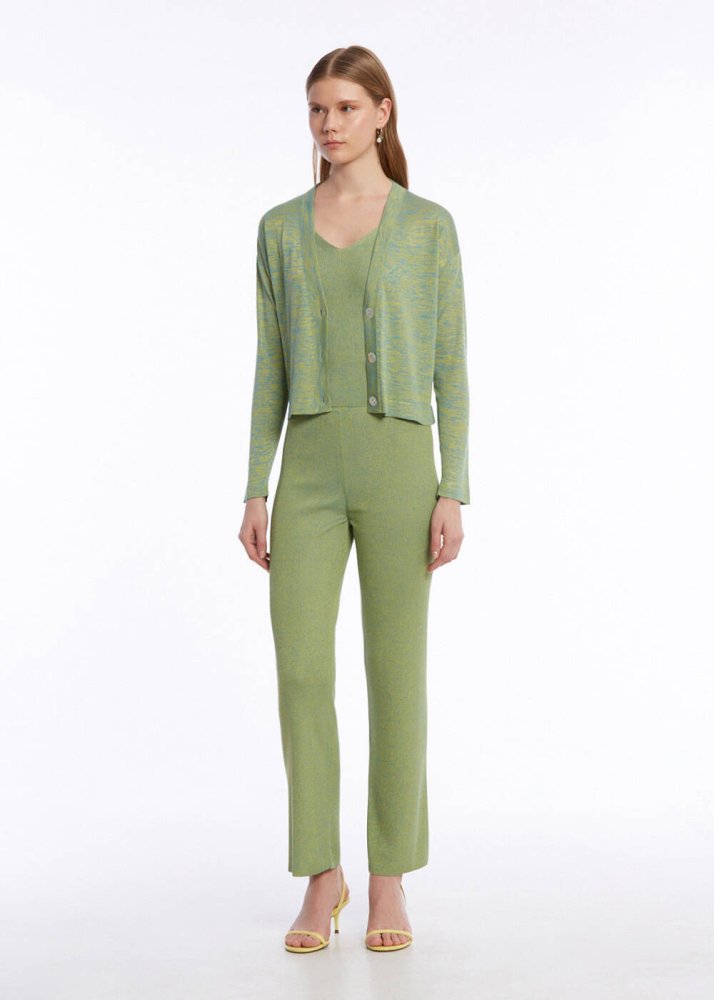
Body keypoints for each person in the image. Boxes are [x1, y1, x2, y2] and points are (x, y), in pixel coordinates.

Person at [238, 45, 470, 954]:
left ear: (382, 112)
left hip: (401, 466)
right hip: (308, 469)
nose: (328, 124)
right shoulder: (278, 230)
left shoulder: (428, 228)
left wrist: (454, 487)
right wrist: (255, 485)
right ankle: (320, 875)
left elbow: (452, 367)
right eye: (316, 109)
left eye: (344, 107)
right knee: (301, 670)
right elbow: (270, 368)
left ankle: (388, 878)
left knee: (395, 673)